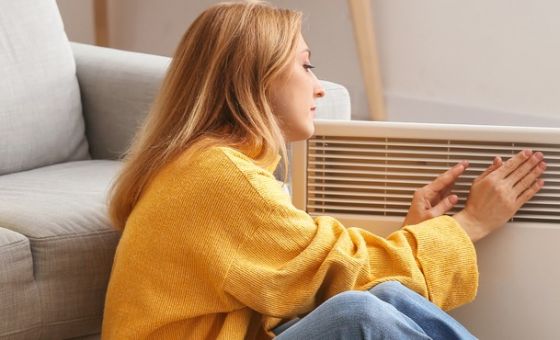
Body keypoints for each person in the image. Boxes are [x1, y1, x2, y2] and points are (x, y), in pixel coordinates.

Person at [100, 1, 547, 339]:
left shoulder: (206, 165)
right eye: (306, 64)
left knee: (385, 296)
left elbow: (311, 272)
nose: (318, 87)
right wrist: (469, 223)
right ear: (255, 76)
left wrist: (415, 236)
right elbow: (338, 271)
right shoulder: (220, 178)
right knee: (359, 313)